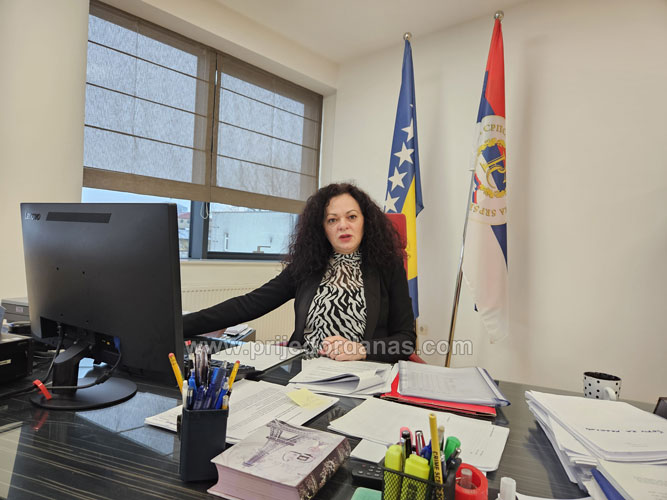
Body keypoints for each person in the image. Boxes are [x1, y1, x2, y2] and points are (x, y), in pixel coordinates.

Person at [183, 183, 416, 363]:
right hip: (304, 375)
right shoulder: (307, 266)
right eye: (332, 220)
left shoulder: (388, 267)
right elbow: (249, 304)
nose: (343, 225)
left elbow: (405, 340)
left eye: (352, 217)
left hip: (363, 378)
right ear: (322, 228)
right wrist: (177, 324)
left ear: (366, 221)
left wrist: (362, 349)